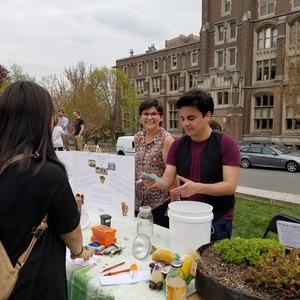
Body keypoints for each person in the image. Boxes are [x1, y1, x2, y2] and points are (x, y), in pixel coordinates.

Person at [0, 81, 93, 300]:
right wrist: (80, 251)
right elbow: (72, 236)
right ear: (41, 121)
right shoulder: (47, 173)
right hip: (35, 285)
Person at [143, 89, 241, 241]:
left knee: (209, 263)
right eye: (182, 118)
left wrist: (198, 187)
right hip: (186, 215)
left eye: (191, 118)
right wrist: (156, 181)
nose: (185, 124)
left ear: (207, 115)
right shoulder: (178, 145)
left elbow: (230, 186)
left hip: (217, 218)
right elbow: (168, 180)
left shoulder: (226, 143)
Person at [135, 98, 179, 228]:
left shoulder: (167, 140)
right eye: (145, 114)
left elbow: (173, 175)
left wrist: (173, 205)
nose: (149, 117)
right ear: (140, 117)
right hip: (139, 203)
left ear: (161, 117)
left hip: (159, 204)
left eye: (154, 114)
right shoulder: (137, 138)